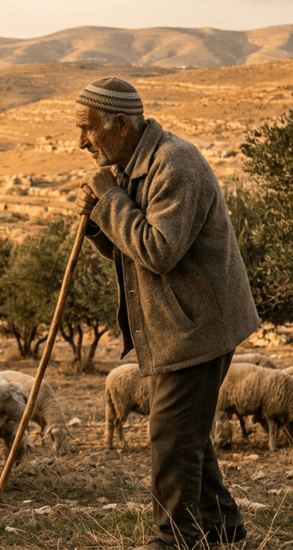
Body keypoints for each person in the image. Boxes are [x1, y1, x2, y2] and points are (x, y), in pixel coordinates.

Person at [73, 77, 259, 550]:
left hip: (197, 325)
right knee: (187, 432)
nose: (80, 143)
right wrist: (99, 223)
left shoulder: (175, 163)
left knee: (171, 439)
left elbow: (158, 250)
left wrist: (110, 202)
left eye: (87, 130)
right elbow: (133, 250)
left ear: (119, 124)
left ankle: (173, 540)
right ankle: (224, 528)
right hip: (176, 324)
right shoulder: (136, 165)